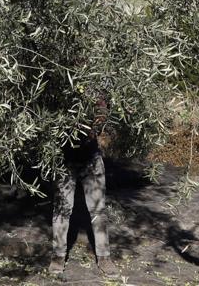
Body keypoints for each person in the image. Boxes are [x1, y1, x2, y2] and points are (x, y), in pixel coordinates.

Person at [48, 92, 113, 277]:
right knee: (61, 209)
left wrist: (92, 126)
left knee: (98, 210)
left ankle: (104, 257)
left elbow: (103, 113)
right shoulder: (58, 86)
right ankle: (58, 257)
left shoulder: (92, 88)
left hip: (90, 157)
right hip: (64, 159)